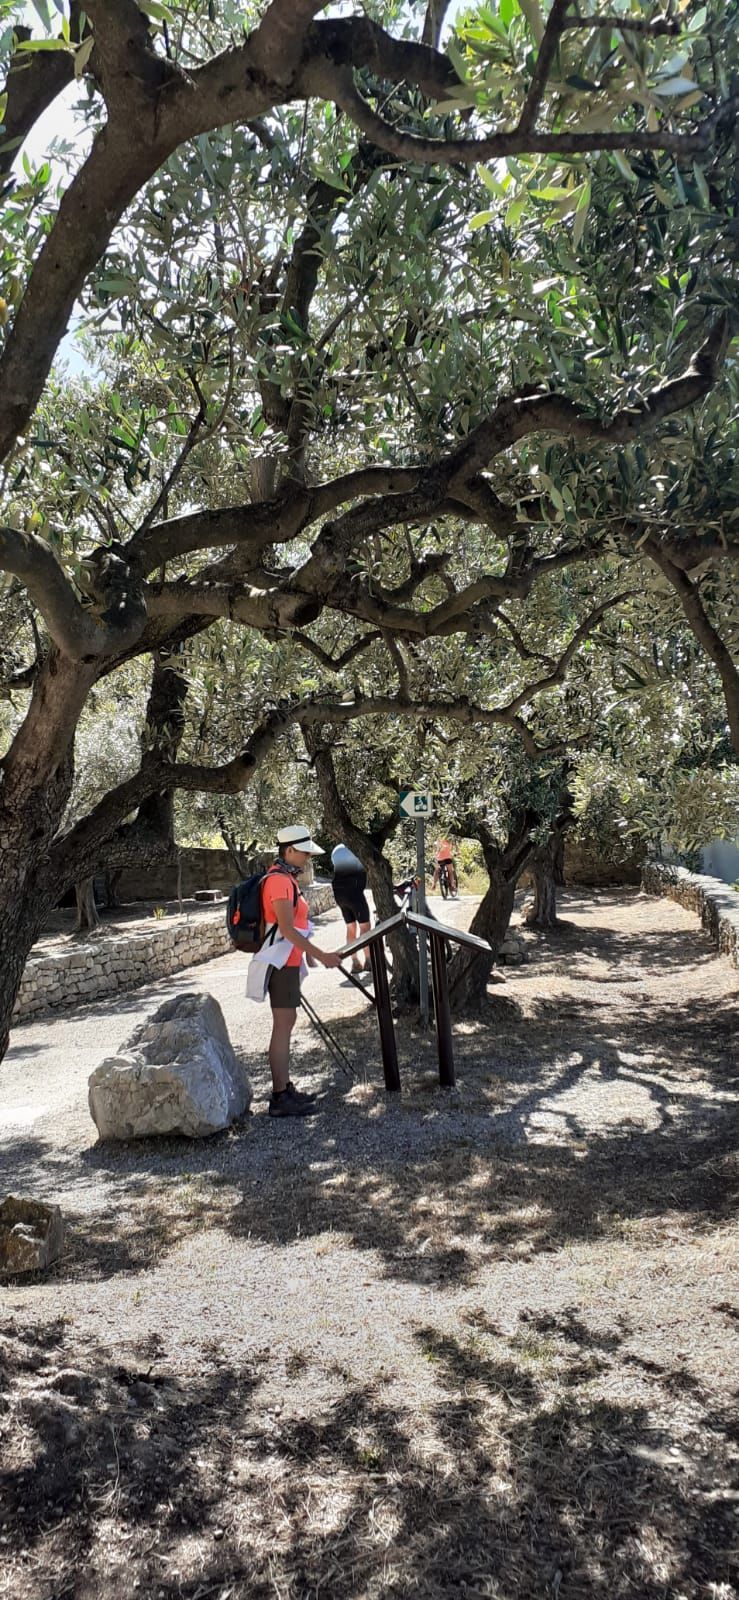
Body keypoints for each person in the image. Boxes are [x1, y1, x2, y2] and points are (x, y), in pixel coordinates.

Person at [258, 824, 343, 1118]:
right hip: (282, 963)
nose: (308, 857)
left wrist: (309, 955)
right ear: (289, 850)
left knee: (286, 1023)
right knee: (283, 1026)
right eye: (304, 852)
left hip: (288, 962)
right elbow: (287, 929)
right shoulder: (279, 882)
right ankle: (280, 1096)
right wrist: (322, 955)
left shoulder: (285, 879)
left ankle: (285, 1088)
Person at [330, 842, 372, 973]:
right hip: (354, 893)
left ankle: (355, 962)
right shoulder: (356, 847)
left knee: (350, 927)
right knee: (365, 927)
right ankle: (369, 961)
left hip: (339, 893)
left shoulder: (337, 850)